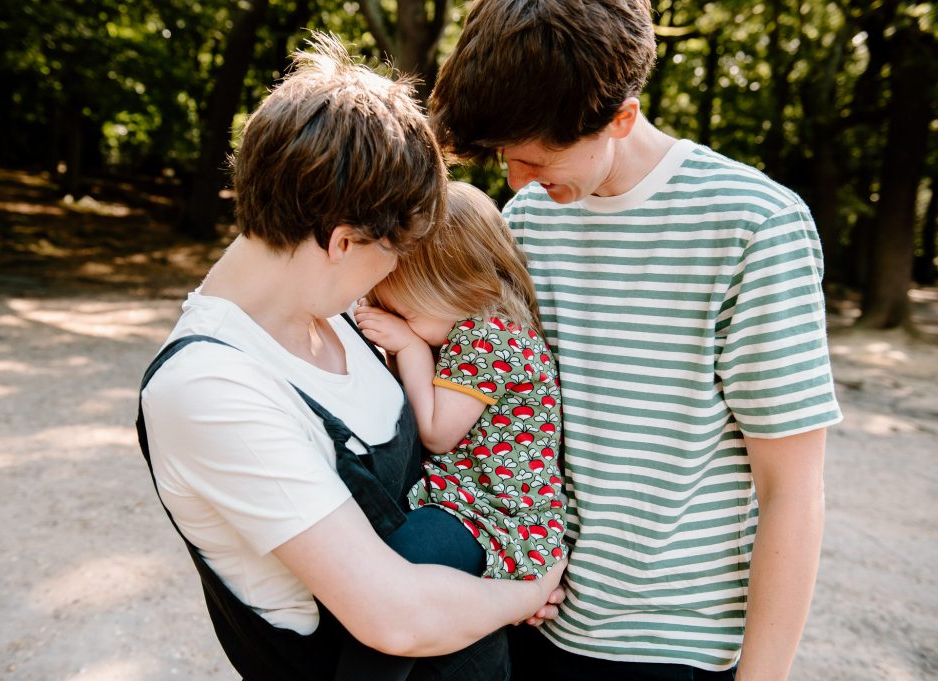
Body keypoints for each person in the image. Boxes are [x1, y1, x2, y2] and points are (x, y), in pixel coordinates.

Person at [428, 2, 843, 680]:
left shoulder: (754, 227)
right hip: (534, 616)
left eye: (533, 159)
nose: (514, 181)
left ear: (620, 118)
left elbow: (794, 489)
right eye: (507, 158)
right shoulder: (530, 218)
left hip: (677, 649)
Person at [136, 33, 564, 681]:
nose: (386, 281)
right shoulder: (210, 386)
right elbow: (394, 616)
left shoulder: (336, 314)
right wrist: (530, 593)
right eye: (391, 255)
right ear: (341, 241)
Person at [339, 180, 569, 680]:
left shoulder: (486, 336)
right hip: (478, 507)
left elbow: (439, 433)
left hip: (495, 517)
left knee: (397, 573)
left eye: (403, 308)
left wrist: (411, 350)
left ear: (448, 281)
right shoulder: (492, 326)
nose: (392, 315)